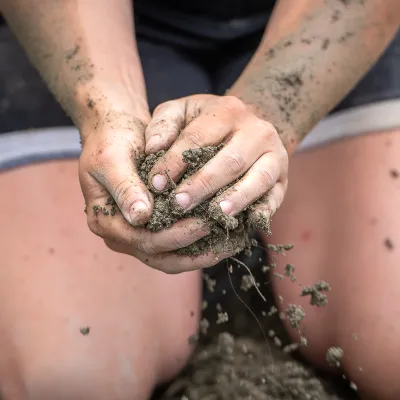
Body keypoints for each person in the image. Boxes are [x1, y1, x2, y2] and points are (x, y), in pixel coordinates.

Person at [0, 0, 399, 398]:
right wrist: (105, 109)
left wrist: (270, 113)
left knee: (390, 344)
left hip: (333, 27)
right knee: (68, 377)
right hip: (91, 25)